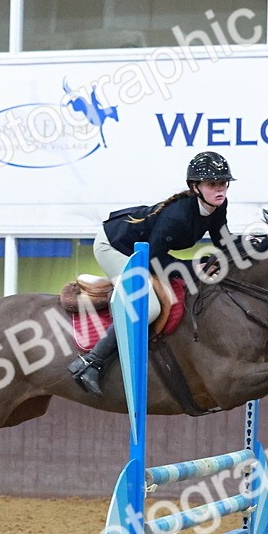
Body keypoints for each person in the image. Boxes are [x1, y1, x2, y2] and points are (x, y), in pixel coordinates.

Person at [67, 151, 234, 397]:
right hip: (114, 246)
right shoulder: (177, 217)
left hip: (143, 250)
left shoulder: (218, 206)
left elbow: (225, 245)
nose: (220, 189)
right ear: (196, 187)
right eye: (212, 184)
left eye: (223, 183)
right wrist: (194, 267)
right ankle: (91, 362)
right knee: (150, 307)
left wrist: (256, 248)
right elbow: (153, 260)